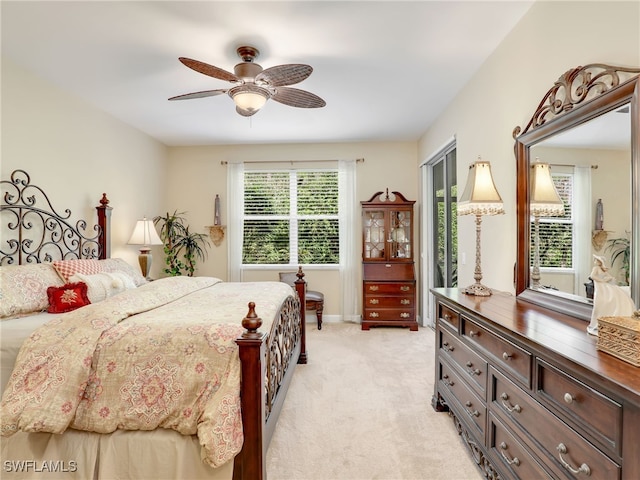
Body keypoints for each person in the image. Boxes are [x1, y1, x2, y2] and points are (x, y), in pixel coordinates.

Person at [587, 255, 635, 335]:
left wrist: (606, 279)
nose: (595, 261)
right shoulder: (596, 269)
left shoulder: (600, 269)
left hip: (604, 286)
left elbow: (609, 277)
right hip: (601, 287)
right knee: (607, 299)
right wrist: (602, 280)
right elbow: (592, 276)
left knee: (616, 294)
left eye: (596, 260)